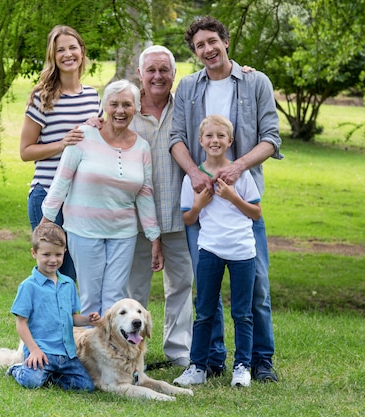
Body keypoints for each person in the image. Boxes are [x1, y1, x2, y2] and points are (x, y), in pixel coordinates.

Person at [169, 15, 283, 382]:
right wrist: (194, 173)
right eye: (199, 45)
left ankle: (259, 360)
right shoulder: (187, 87)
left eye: (212, 41)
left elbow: (271, 138)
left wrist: (238, 169)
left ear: (225, 41)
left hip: (240, 200)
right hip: (201, 200)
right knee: (208, 290)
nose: (207, 49)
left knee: (257, 287)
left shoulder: (255, 82)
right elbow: (176, 138)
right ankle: (211, 358)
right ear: (195, 52)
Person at [41, 79, 163, 316]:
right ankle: (87, 350)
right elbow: (61, 181)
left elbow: (145, 194)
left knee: (114, 298)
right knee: (90, 297)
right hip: (84, 230)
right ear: (104, 106)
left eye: (127, 104)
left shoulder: (142, 147)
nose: (120, 111)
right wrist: (46, 222)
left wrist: (154, 236)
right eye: (114, 104)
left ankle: (109, 352)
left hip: (123, 233)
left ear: (136, 108)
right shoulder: (83, 136)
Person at [173, 115, 261, 388]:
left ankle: (242, 367)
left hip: (242, 251)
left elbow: (256, 213)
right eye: (209, 136)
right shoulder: (194, 179)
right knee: (205, 310)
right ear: (201, 141)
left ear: (230, 141)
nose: (215, 141)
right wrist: (199, 204)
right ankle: (198, 366)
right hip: (210, 249)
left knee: (242, 313)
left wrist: (232, 196)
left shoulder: (240, 175)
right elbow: (188, 219)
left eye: (220, 136)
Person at [126, 46, 195, 368]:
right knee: (133, 289)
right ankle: (129, 351)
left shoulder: (186, 107)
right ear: (140, 74)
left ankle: (178, 351)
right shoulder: (125, 108)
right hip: (133, 219)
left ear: (174, 74)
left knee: (181, 285)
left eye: (164, 70)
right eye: (151, 70)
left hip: (178, 215)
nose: (157, 76)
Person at [19, 25, 102, 280]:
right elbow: (25, 151)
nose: (68, 54)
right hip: (47, 196)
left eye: (72, 48)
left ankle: (69, 321)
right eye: (60, 50)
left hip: (83, 199)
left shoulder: (92, 96)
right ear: (52, 56)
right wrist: (62, 143)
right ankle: (45, 321)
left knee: (75, 274)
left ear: (82, 51)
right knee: (54, 272)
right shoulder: (42, 97)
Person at [7, 222, 100, 391]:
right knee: (31, 382)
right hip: (41, 352)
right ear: (34, 253)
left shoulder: (68, 284)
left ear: (65, 252)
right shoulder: (29, 286)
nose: (53, 260)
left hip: (67, 355)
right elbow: (21, 323)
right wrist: (34, 350)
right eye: (46, 254)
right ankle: (17, 369)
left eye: (58, 254)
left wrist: (87, 320)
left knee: (86, 387)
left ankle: (51, 375)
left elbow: (72, 318)